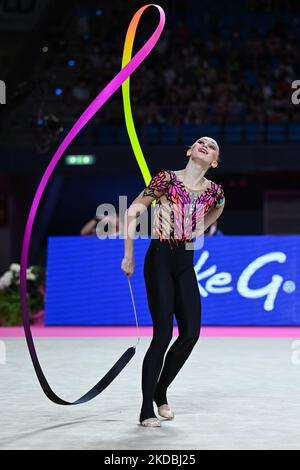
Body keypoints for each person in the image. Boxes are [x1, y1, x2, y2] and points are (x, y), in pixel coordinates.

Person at [121, 137, 225, 427]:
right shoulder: (165, 180)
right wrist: (128, 254)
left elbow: (217, 209)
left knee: (191, 333)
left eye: (212, 146)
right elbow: (132, 212)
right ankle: (146, 409)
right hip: (160, 259)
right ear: (190, 151)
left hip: (185, 263)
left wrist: (200, 228)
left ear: (214, 161)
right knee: (163, 334)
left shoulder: (215, 191)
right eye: (200, 142)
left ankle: (160, 390)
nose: (205, 145)